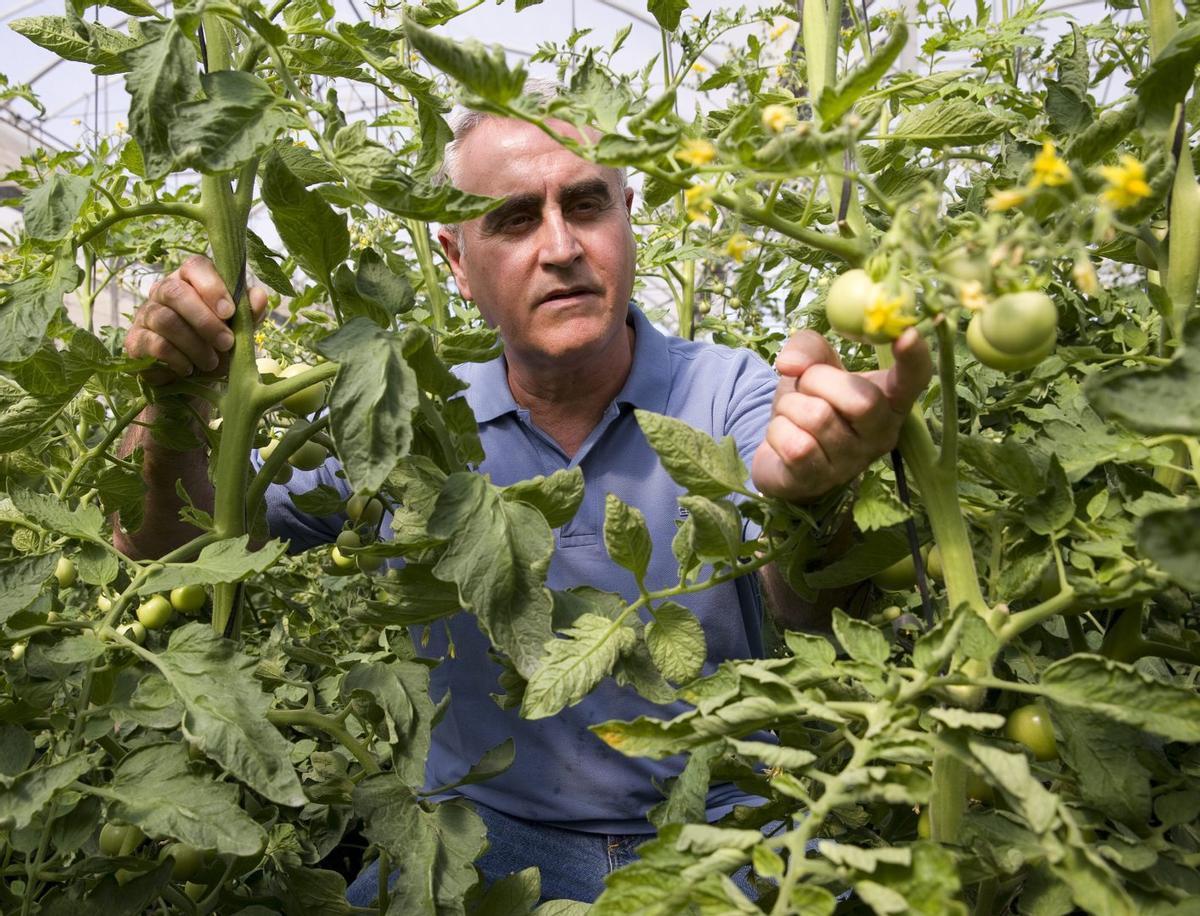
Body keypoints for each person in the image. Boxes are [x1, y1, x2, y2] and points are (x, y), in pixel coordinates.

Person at [119, 104, 932, 903]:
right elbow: (173, 557)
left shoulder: (731, 395)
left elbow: (810, 610)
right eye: (511, 219)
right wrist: (174, 407)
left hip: (723, 830)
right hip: (480, 828)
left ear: (628, 218)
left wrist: (816, 500)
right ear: (456, 260)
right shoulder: (399, 416)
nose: (561, 247)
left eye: (586, 203)